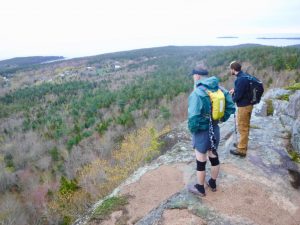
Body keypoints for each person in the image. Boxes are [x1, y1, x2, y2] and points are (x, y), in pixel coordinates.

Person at [187, 67, 235, 196]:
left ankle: (200, 188)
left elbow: (193, 117)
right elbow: (231, 106)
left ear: (197, 76)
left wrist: (193, 130)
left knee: (200, 159)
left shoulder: (197, 93)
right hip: (215, 128)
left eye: (193, 76)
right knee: (213, 154)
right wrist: (221, 118)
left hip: (202, 132)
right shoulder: (220, 89)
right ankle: (212, 182)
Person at [229, 61, 253, 157]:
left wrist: (232, 99)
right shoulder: (244, 76)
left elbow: (238, 96)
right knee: (244, 126)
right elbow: (243, 90)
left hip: (244, 106)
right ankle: (242, 144)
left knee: (243, 127)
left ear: (233, 69)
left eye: (230, 69)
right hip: (247, 104)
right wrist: (235, 90)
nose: (230, 70)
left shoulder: (240, 79)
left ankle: (242, 150)